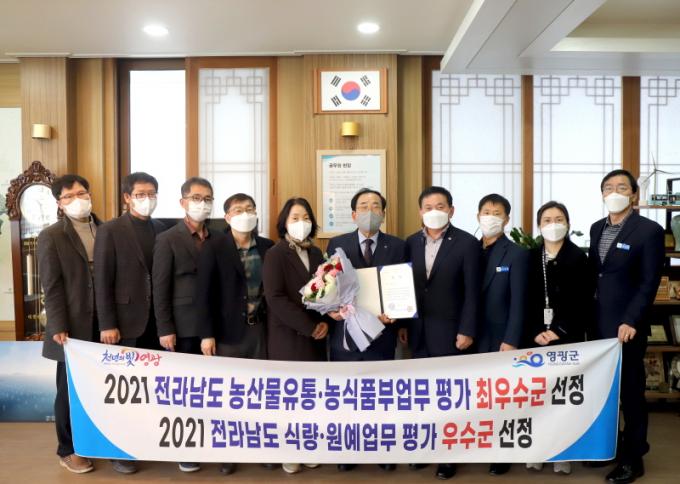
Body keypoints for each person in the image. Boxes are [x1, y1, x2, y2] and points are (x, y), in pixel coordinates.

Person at [588, 169, 664, 484]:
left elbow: (649, 281)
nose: (614, 192)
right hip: (598, 325)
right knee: (605, 392)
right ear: (602, 194)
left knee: (631, 393)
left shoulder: (649, 230)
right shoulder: (596, 228)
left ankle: (634, 458)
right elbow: (597, 274)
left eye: (622, 187)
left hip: (626, 327)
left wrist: (631, 319)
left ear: (634, 194)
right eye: (609, 187)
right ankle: (612, 446)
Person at [403, 186, 481, 480]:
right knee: (422, 396)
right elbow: (404, 288)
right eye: (428, 207)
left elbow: (473, 292)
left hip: (451, 333)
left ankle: (449, 455)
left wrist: (467, 329)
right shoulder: (410, 242)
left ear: (451, 210)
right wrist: (403, 325)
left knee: (448, 398)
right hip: (418, 331)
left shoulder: (466, 243)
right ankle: (426, 450)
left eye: (440, 206)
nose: (434, 211)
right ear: (420, 211)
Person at [326, 188, 405, 473]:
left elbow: (402, 287)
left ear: (383, 214)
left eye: (375, 206)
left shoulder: (398, 246)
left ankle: (383, 449)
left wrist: (398, 315)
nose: (369, 211)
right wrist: (331, 309)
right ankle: (349, 450)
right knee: (347, 394)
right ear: (353, 214)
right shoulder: (337, 244)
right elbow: (328, 285)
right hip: (346, 333)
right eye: (363, 206)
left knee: (382, 395)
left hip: (382, 332)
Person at [196, 192, 274, 475]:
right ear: (227, 217)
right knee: (230, 394)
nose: (245, 214)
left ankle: (262, 447)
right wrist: (207, 334)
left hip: (260, 330)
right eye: (238, 210)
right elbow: (203, 294)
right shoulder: (214, 247)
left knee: (261, 393)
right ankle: (228, 452)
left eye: (250, 208)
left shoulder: (267, 247)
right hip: (227, 332)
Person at [94, 171, 166, 474]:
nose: (147, 199)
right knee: (123, 392)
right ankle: (118, 451)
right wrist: (107, 324)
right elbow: (102, 280)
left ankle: (145, 442)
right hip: (123, 324)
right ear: (127, 197)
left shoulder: (161, 229)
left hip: (156, 324)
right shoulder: (110, 230)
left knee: (149, 389)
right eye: (140, 194)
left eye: (152, 193)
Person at [263, 197, 330, 475]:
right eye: (295, 217)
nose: (301, 223)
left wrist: (325, 320)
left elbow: (327, 292)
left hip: (316, 336)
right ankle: (289, 450)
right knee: (289, 398)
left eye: (306, 217)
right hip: (288, 336)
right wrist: (308, 326)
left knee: (311, 397)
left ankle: (309, 446)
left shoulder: (317, 253)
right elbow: (275, 298)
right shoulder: (275, 254)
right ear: (284, 222)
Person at [38, 175, 100, 474]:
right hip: (71, 326)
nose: (78, 199)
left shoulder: (106, 229)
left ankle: (95, 442)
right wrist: (58, 324)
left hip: (104, 324)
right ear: (59, 203)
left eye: (82, 193)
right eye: (69, 196)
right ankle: (67, 449)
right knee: (68, 390)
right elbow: (51, 286)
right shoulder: (51, 236)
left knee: (99, 387)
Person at [152, 176, 215, 474]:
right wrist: (165, 328)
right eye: (196, 198)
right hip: (183, 327)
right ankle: (186, 448)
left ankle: (212, 441)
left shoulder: (219, 235)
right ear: (183, 202)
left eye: (208, 199)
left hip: (215, 324)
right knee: (187, 390)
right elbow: (160, 288)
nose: (202, 204)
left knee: (211, 388)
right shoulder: (167, 239)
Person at [525, 201, 591, 475]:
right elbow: (524, 300)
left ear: (568, 224)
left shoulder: (579, 258)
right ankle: (538, 449)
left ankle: (563, 452)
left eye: (559, 219)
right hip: (535, 337)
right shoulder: (530, 257)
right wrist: (535, 331)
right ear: (539, 226)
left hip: (567, 337)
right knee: (537, 397)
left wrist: (559, 330)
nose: (553, 224)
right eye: (547, 220)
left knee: (562, 398)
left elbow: (584, 302)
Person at [475, 193, 529, 476]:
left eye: (497, 214)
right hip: (471, 337)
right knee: (476, 396)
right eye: (486, 212)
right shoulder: (468, 248)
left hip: (501, 338)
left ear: (507, 219)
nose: (490, 218)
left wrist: (511, 339)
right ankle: (478, 444)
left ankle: (503, 451)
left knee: (501, 398)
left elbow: (520, 302)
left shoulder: (516, 253)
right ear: (477, 216)